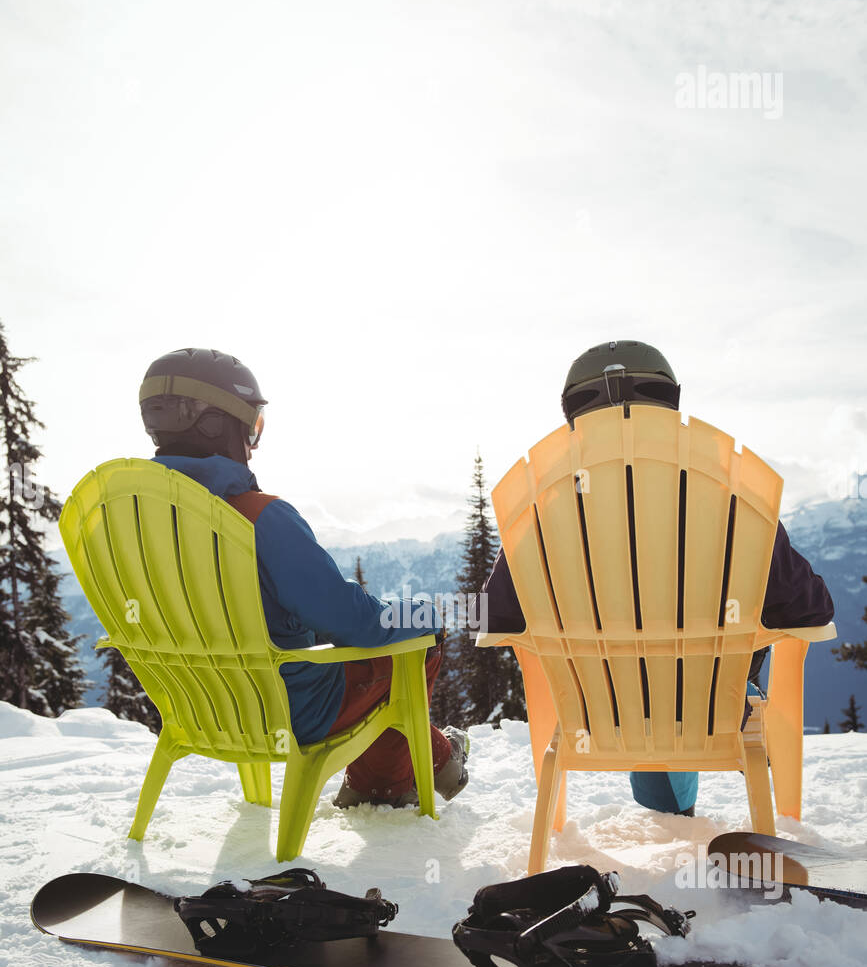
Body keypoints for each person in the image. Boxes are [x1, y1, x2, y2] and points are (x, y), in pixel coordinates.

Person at [482, 339, 834, 817]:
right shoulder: (729, 495)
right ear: (668, 404)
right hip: (710, 708)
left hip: (597, 710)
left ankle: (663, 808)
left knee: (638, 676)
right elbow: (809, 610)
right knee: (694, 672)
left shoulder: (544, 508)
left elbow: (498, 616)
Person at [138, 346, 469, 808]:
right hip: (291, 710)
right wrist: (426, 614)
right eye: (253, 425)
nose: (253, 439)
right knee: (418, 640)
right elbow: (353, 620)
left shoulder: (130, 524)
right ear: (217, 425)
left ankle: (433, 761)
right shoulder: (259, 518)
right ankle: (394, 782)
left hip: (199, 707)